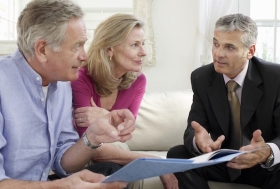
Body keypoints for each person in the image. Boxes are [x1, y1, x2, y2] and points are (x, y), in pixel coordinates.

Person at [0, 0, 135, 188]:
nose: (85, 56)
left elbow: (63, 163)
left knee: (112, 173)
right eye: (77, 46)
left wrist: (92, 136)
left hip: (43, 184)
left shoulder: (62, 85)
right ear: (42, 50)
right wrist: (61, 186)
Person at [167, 13, 280, 189]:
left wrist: (268, 152)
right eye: (216, 44)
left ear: (250, 51)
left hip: (265, 165)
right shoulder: (202, 78)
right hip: (225, 162)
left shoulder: (275, 78)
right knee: (177, 154)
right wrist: (200, 142)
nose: (218, 53)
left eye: (230, 47)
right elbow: (193, 129)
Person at [71, 13, 178, 189]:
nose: (143, 52)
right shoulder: (81, 78)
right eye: (135, 45)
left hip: (117, 150)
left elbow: (125, 131)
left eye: (143, 44)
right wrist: (154, 161)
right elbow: (93, 148)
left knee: (119, 165)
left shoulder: (138, 81)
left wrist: (105, 116)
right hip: (81, 155)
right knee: (114, 170)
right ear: (109, 49)